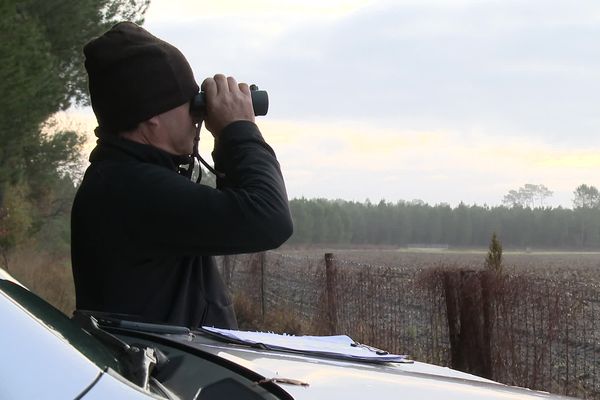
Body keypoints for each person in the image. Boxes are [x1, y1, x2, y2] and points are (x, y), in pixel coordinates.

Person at [71, 22, 293, 329]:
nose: (198, 115)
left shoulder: (121, 179)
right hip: (157, 373)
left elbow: (241, 215)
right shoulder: (133, 188)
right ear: (151, 120)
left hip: (158, 368)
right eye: (189, 104)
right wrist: (238, 129)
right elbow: (269, 220)